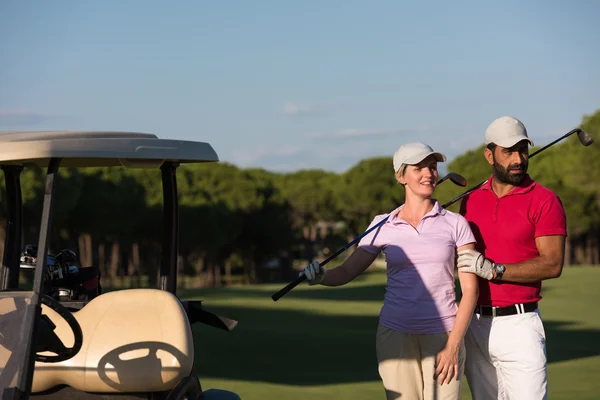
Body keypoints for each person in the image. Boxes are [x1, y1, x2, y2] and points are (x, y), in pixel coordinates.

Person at [301, 142, 479, 400]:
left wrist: (453, 346)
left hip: (444, 335)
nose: (428, 174)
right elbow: (348, 271)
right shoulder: (382, 225)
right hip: (395, 336)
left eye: (432, 167)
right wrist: (322, 277)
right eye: (419, 168)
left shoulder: (455, 224)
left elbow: (471, 291)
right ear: (400, 176)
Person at [456, 116, 567, 400]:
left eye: (523, 150)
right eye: (509, 152)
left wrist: (495, 270)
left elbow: (552, 264)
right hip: (474, 325)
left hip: (519, 326)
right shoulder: (470, 200)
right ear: (489, 155)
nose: (518, 159)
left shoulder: (544, 199)